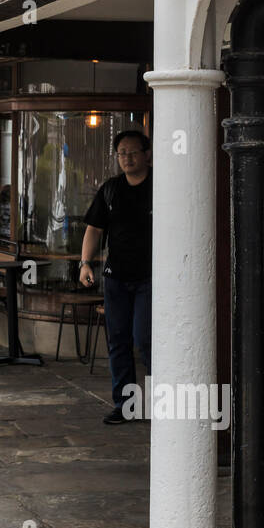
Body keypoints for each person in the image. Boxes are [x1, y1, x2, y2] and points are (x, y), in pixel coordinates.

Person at [80, 128, 153, 425]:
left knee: (147, 339)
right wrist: (85, 263)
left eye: (132, 152)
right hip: (116, 277)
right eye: (121, 153)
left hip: (151, 278)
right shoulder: (111, 189)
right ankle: (126, 405)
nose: (127, 158)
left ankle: (159, 403)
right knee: (118, 341)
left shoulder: (161, 185)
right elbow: (95, 229)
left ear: (146, 154)